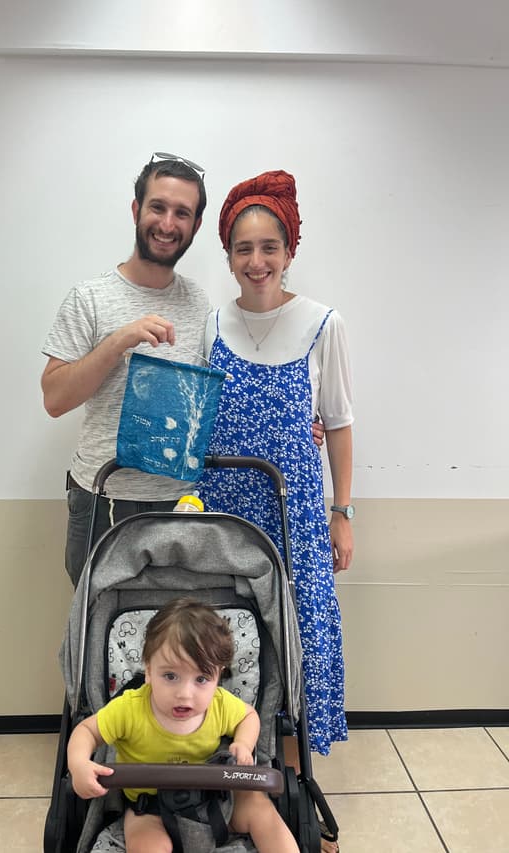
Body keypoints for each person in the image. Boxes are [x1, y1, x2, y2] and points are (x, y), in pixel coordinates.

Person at [41, 154, 325, 587]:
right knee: (98, 626)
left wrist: (292, 425)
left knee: (177, 630)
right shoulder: (89, 298)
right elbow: (55, 399)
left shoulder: (200, 305)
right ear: (136, 210)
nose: (167, 223)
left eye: (182, 213)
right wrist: (117, 342)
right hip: (104, 496)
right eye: (158, 207)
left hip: (184, 504)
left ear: (195, 225)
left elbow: (211, 403)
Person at [197, 170, 353, 762]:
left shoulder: (323, 324)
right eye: (244, 249)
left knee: (300, 635)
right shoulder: (211, 325)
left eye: (269, 247)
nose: (256, 262)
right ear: (228, 256)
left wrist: (342, 513)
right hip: (224, 516)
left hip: (294, 515)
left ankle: (292, 771)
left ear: (289, 251)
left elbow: (338, 423)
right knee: (229, 636)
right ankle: (228, 764)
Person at [67, 598, 300, 853]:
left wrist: (243, 743)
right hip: (150, 807)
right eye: (170, 676)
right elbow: (87, 730)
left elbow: (249, 716)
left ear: (218, 676)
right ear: (148, 671)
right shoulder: (129, 709)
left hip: (216, 798)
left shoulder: (220, 704)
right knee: (148, 845)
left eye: (201, 679)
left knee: (260, 808)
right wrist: (79, 764)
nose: (184, 694)